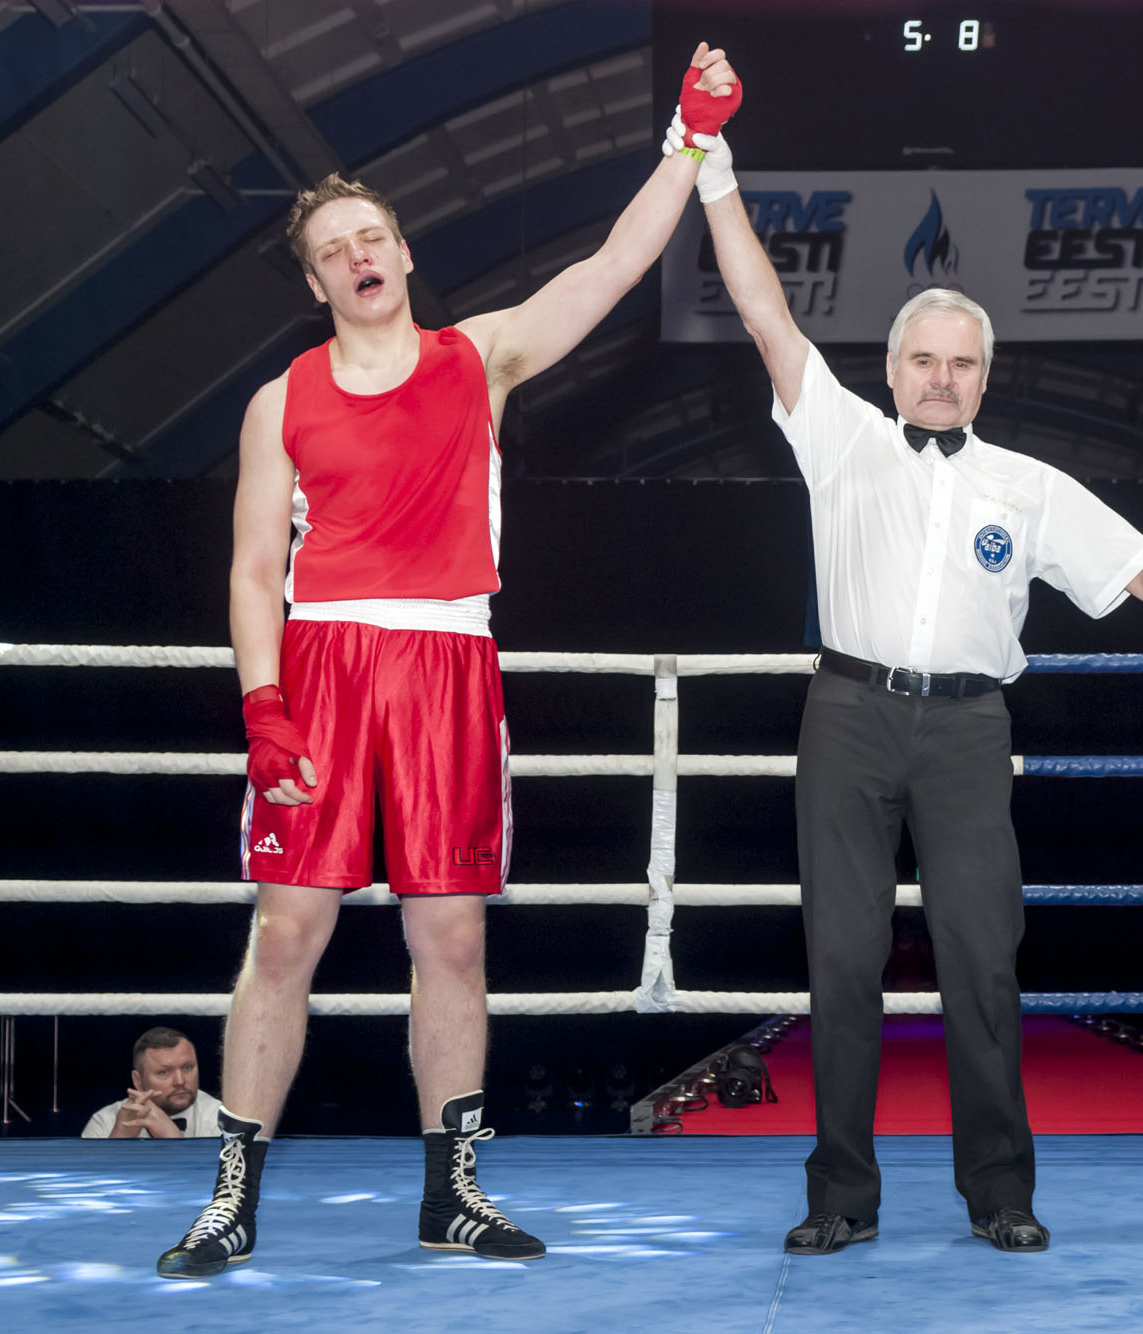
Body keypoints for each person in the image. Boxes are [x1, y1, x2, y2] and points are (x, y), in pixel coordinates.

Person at [667, 117, 1143, 1255]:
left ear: (984, 376)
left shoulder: (1029, 486)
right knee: (840, 961)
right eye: (923, 359)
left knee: (981, 959)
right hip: (848, 715)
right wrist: (714, 176)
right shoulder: (842, 439)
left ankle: (1000, 1191)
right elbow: (766, 313)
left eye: (961, 362)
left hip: (969, 728)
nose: (941, 377)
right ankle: (839, 1195)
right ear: (891, 369)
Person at [153, 45, 742, 1280]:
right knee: (286, 932)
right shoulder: (280, 401)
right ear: (315, 280)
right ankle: (229, 1194)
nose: (358, 256)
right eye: (333, 250)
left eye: (372, 236)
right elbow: (253, 569)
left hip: (446, 663)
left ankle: (452, 1191)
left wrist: (687, 143)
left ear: (405, 252)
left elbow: (611, 266)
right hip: (320, 665)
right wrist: (263, 706)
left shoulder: (481, 358)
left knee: (453, 942)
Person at [83, 1028, 221, 1139]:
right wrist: (119, 1140)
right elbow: (91, 1167)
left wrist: (172, 1137)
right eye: (164, 1072)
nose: (180, 1081)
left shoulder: (220, 1118)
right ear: (138, 1080)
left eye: (187, 1068)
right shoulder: (104, 1122)